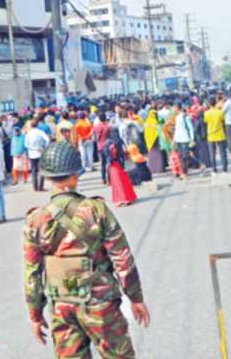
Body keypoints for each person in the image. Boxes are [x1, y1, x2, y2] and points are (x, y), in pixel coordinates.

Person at [23, 142, 150, 358]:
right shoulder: (96, 210)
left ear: (46, 176)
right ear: (75, 175)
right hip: (100, 303)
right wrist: (135, 297)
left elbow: (32, 273)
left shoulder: (35, 219)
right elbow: (122, 258)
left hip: (62, 306)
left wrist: (35, 315)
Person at [105, 130, 137, 206]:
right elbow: (125, 150)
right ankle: (128, 197)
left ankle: (122, 199)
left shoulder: (108, 143)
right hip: (121, 163)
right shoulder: (120, 141)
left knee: (117, 183)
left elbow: (107, 155)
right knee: (124, 182)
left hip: (113, 165)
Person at [25, 119, 50, 192]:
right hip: (40, 152)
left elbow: (26, 144)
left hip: (32, 153)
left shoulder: (28, 133)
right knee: (41, 170)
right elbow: (47, 140)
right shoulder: (40, 132)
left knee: (33, 170)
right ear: (37, 125)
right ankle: (41, 187)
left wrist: (33, 148)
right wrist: (44, 147)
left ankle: (35, 187)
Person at [204, 97, 228, 173]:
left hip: (211, 134)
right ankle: (224, 168)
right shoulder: (220, 112)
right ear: (216, 103)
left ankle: (214, 169)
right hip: (220, 134)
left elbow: (206, 121)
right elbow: (223, 120)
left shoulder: (206, 113)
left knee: (212, 153)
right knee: (222, 152)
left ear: (209, 104)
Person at [173, 102, 195, 180]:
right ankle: (184, 173)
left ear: (177, 107)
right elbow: (176, 129)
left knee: (185, 157)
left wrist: (192, 139)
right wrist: (174, 139)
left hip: (185, 139)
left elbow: (191, 128)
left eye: (174, 107)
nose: (173, 109)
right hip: (179, 140)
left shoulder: (185, 117)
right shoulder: (177, 117)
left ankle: (184, 173)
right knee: (181, 157)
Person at [94, 112, 112, 185]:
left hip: (100, 146)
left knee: (103, 164)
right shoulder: (108, 126)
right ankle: (109, 180)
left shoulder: (97, 126)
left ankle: (103, 179)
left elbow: (97, 138)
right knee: (109, 163)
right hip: (108, 145)